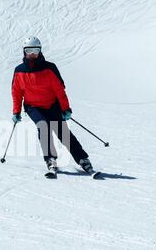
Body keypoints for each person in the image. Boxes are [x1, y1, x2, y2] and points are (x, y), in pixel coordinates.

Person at [11, 36, 94, 176]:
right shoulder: (19, 70)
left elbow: (59, 90)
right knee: (43, 126)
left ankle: (83, 160)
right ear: (24, 51)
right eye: (29, 50)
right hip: (33, 107)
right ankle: (50, 160)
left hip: (52, 105)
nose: (32, 53)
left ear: (40, 51)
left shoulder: (50, 68)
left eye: (35, 50)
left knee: (62, 132)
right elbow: (17, 92)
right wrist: (16, 111)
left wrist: (65, 109)